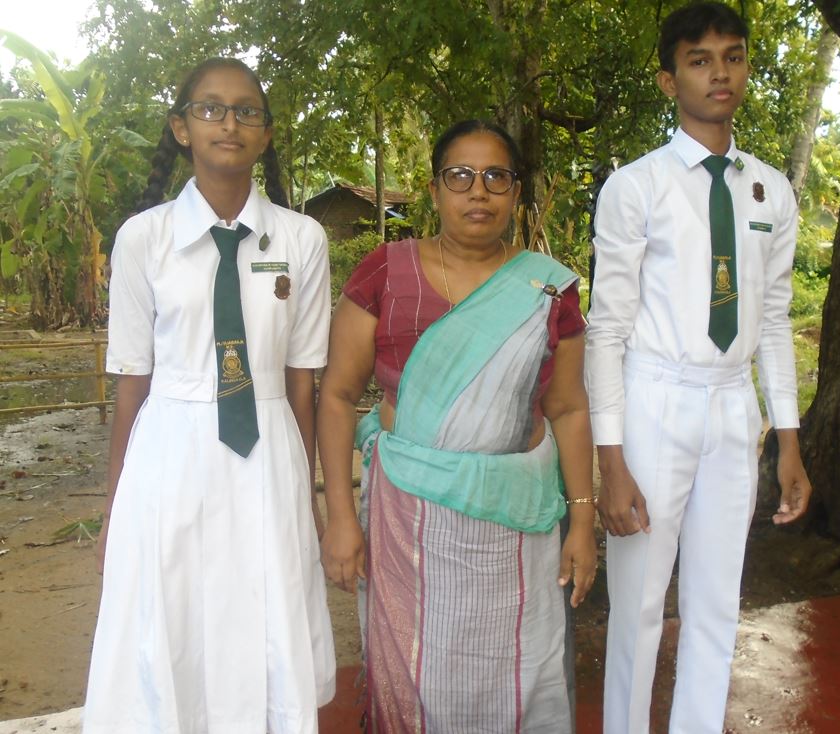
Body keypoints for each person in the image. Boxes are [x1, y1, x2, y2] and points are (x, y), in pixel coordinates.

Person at [318, 119, 597, 732]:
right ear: (435, 189)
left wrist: (582, 520)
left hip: (518, 528)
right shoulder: (385, 272)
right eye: (460, 176)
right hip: (409, 526)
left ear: (516, 191)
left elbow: (570, 408)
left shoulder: (548, 287)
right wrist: (340, 516)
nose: (479, 191)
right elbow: (336, 396)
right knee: (419, 675)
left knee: (520, 677)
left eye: (496, 177)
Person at [83, 58, 335, 733]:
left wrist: (305, 491)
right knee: (174, 619)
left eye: (247, 110)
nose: (229, 122)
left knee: (263, 611)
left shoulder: (301, 239)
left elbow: (302, 379)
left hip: (268, 450)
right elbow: (133, 380)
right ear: (181, 127)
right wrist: (114, 506)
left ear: (266, 133)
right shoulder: (144, 239)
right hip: (170, 454)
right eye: (210, 108)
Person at [586, 4, 813, 732]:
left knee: (717, 603)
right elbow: (606, 329)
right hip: (656, 399)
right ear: (668, 79)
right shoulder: (637, 186)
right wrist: (610, 460)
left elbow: (772, 319)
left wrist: (787, 440)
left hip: (732, 406)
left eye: (733, 56)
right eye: (699, 59)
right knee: (639, 606)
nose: (720, 73)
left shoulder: (770, 190)